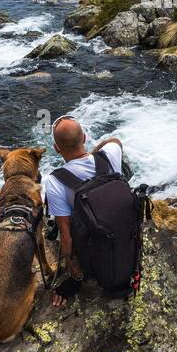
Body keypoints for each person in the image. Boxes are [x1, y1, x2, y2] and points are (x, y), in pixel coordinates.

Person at [42, 115, 125, 306]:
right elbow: (115, 141)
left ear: (56, 149)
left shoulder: (56, 182)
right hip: (126, 236)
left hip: (95, 251)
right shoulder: (110, 155)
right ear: (85, 138)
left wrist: (75, 276)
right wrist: (96, 154)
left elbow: (66, 237)